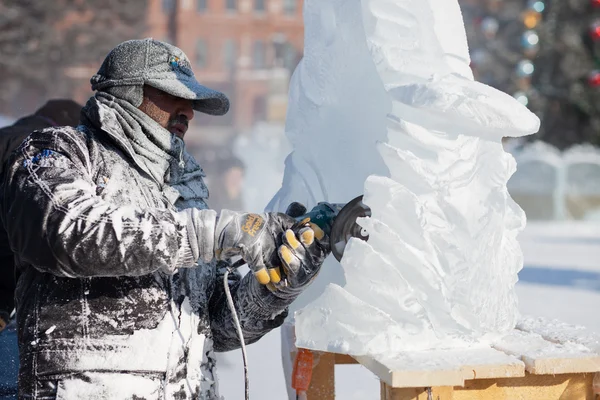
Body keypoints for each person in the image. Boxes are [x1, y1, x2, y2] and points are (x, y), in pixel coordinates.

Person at [0, 38, 329, 399]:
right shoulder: (57, 151)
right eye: (172, 94)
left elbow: (214, 325)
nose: (188, 111)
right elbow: (66, 232)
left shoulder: (184, 187)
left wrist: (274, 289)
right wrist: (219, 233)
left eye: (192, 101)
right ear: (127, 91)